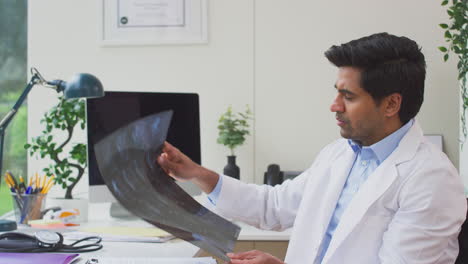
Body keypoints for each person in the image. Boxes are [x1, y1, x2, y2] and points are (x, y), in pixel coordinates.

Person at [157, 33, 467, 264]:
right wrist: (197, 174)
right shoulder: (341, 153)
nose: (334, 106)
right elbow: (274, 207)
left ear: (391, 104)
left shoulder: (431, 180)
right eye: (337, 93)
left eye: (348, 96)